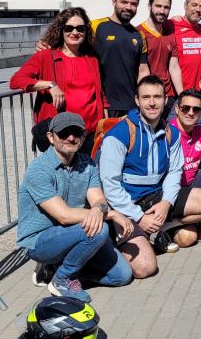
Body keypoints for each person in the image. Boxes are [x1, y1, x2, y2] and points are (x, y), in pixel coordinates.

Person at [98, 75, 201, 276]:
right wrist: (139, 217)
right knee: (146, 268)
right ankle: (117, 242)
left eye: (157, 97)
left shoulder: (170, 133)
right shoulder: (119, 135)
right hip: (126, 207)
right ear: (137, 101)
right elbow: (110, 185)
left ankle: (160, 228)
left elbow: (175, 172)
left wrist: (166, 203)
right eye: (146, 97)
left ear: (166, 101)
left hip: (156, 199)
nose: (152, 102)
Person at [17, 112, 133, 302]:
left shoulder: (86, 163)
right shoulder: (39, 170)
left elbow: (99, 200)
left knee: (121, 276)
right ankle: (62, 279)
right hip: (41, 240)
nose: (71, 138)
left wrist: (99, 209)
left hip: (75, 232)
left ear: (84, 135)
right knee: (99, 229)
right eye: (64, 133)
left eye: (76, 133)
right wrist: (110, 214)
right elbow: (63, 216)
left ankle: (57, 271)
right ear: (51, 137)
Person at [11, 7, 104, 154]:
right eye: (69, 28)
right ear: (61, 30)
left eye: (80, 28)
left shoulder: (92, 58)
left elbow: (98, 94)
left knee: (87, 175)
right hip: (61, 135)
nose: (75, 33)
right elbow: (16, 80)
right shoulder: (46, 56)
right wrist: (50, 85)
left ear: (86, 31)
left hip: (89, 133)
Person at [90, 0, 151, 117]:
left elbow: (143, 70)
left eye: (133, 4)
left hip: (132, 105)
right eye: (124, 2)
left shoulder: (139, 35)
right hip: (103, 105)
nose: (128, 7)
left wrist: (144, 98)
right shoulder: (95, 27)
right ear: (113, 2)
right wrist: (44, 44)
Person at [137, 0, 182, 115]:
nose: (162, 11)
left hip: (169, 97)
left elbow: (174, 68)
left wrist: (182, 96)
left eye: (166, 7)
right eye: (158, 6)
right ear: (149, 6)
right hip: (150, 97)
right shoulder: (137, 34)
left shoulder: (170, 35)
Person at [170, 0, 201, 93]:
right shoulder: (171, 25)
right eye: (194, 5)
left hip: (197, 94)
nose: (198, 9)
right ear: (185, 5)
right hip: (175, 93)